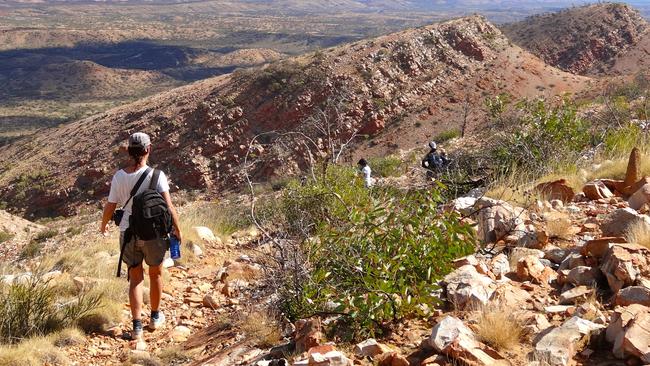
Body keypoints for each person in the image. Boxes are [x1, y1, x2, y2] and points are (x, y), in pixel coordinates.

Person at [100, 132, 182, 341]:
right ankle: (155, 316)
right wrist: (177, 229)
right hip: (154, 233)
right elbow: (169, 206)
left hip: (128, 233)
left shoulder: (119, 176)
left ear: (129, 151)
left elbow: (111, 205)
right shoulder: (157, 175)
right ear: (148, 149)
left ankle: (137, 326)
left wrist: (103, 225)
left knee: (135, 278)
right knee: (155, 274)